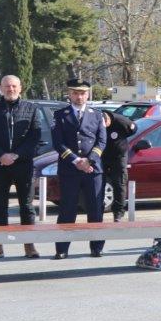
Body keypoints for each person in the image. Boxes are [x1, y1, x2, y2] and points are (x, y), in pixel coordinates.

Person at [0, 75, 42, 260]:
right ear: (0, 88)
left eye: (14, 86)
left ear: (20, 88)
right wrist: (1, 155)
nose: (11, 89)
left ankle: (29, 245)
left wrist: (16, 155)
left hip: (23, 164)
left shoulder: (31, 109)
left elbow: (35, 136)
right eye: (7, 86)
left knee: (26, 206)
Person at [51, 79, 107, 259]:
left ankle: (96, 247)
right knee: (67, 209)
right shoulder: (60, 114)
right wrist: (76, 161)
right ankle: (62, 248)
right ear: (69, 94)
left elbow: (101, 141)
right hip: (70, 169)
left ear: (88, 94)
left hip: (93, 170)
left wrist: (89, 161)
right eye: (75, 93)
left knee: (95, 209)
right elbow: (58, 142)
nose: (79, 96)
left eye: (82, 93)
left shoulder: (97, 115)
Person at [100, 109, 137, 222]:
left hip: (118, 156)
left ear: (109, 120)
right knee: (99, 182)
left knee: (119, 183)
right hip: (102, 155)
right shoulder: (97, 119)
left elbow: (133, 129)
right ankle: (98, 209)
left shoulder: (120, 121)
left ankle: (118, 212)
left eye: (105, 125)